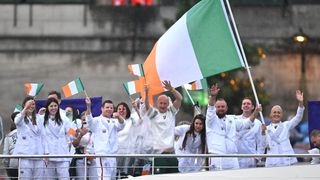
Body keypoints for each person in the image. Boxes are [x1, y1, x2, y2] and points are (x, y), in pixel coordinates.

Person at [206, 84, 261, 170]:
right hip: (217, 158)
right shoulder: (210, 120)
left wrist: (256, 111)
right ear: (215, 108)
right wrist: (213, 96)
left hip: (232, 158)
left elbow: (246, 124)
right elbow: (210, 108)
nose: (221, 108)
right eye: (218, 107)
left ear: (227, 108)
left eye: (223, 106)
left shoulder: (232, 119)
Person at [144, 80, 182, 174]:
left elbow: (179, 99)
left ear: (168, 104)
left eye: (165, 103)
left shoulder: (171, 112)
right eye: (161, 103)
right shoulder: (154, 114)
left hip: (172, 155)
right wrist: (147, 93)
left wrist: (172, 89)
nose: (163, 105)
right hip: (159, 155)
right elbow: (147, 106)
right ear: (157, 103)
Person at [85, 97, 125, 180]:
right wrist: (88, 106)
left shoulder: (114, 121)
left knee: (112, 178)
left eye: (111, 108)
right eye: (107, 107)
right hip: (102, 155)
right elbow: (89, 120)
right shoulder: (97, 121)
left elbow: (122, 125)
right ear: (102, 108)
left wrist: (119, 117)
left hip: (113, 155)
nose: (109, 109)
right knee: (104, 178)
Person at [262, 90, 304, 167]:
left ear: (282, 115)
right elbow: (263, 145)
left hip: (287, 161)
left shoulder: (286, 125)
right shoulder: (265, 129)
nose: (276, 114)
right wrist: (262, 133)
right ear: (270, 115)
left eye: (279, 112)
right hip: (273, 162)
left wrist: (300, 103)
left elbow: (298, 118)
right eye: (274, 112)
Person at [41, 98, 73, 179]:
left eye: (55, 106)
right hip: (48, 155)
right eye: (51, 106)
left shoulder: (64, 119)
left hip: (62, 154)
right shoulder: (42, 119)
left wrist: (73, 137)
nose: (53, 108)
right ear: (47, 107)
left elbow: (71, 133)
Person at [13, 96, 45, 179]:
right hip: (25, 155)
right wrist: (25, 109)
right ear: (24, 105)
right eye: (29, 104)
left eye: (33, 104)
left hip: (38, 155)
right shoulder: (20, 117)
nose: (31, 106)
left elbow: (41, 134)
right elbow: (17, 121)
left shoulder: (38, 118)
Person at [236, 98, 265, 168]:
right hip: (236, 157)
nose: (246, 105)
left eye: (248, 104)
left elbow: (261, 143)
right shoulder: (235, 120)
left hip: (251, 158)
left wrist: (258, 157)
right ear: (241, 107)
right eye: (244, 104)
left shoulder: (258, 123)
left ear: (253, 107)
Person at [116, 101, 142, 177]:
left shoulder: (131, 120)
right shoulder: (113, 121)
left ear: (127, 111)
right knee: (115, 175)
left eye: (123, 109)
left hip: (128, 153)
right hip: (115, 153)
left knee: (126, 176)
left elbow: (141, 120)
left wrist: (136, 109)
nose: (121, 110)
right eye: (119, 109)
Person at [71, 110, 98, 180]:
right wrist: (80, 135)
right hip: (81, 159)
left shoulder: (95, 129)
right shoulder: (77, 130)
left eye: (87, 119)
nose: (85, 121)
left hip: (93, 158)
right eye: (83, 119)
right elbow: (74, 144)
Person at [3, 112, 19, 180]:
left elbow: (5, 155)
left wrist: (7, 167)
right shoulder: (30, 134)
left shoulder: (8, 136)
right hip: (28, 165)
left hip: (13, 166)